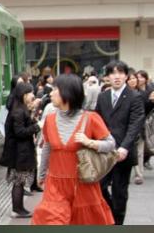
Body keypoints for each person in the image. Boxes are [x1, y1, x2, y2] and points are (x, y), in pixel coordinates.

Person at [31, 74, 115, 225]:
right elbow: (47, 148)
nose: (50, 93)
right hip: (55, 185)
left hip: (82, 184)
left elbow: (111, 144)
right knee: (53, 221)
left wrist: (90, 142)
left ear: (67, 92)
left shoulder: (91, 118)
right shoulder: (50, 120)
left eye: (55, 89)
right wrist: (41, 174)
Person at [96, 61, 145, 225]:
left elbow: (135, 124)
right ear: (107, 77)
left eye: (120, 73)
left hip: (123, 154)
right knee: (99, 188)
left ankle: (117, 223)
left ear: (125, 75)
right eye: (113, 73)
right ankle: (111, 215)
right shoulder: (102, 97)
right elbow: (97, 121)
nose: (116, 76)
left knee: (119, 192)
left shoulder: (135, 97)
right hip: (104, 152)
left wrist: (124, 147)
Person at [0, 82, 39, 218]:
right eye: (31, 93)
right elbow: (20, 132)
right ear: (24, 95)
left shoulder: (20, 109)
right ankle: (17, 209)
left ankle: (19, 208)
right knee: (19, 182)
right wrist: (36, 127)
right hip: (19, 153)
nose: (33, 96)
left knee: (19, 182)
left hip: (19, 152)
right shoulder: (18, 111)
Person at [136, 70, 154, 172]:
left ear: (146, 79)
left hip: (149, 120)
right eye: (137, 77)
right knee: (140, 145)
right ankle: (139, 171)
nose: (139, 79)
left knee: (148, 142)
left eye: (142, 77)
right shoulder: (135, 90)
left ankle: (145, 160)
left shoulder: (151, 90)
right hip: (138, 120)